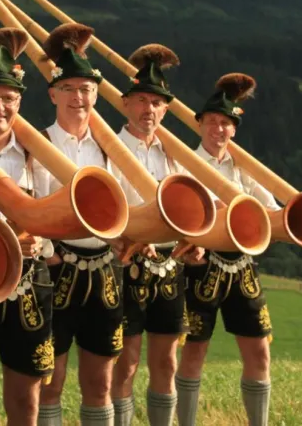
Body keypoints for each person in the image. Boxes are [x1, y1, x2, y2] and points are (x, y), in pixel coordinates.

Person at [175, 73, 278, 426]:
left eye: (226, 124)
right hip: (199, 266)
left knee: (260, 351)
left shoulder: (243, 166)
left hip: (243, 265)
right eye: (213, 122)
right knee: (194, 352)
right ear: (199, 123)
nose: (218, 129)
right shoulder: (183, 163)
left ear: (234, 130)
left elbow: (271, 209)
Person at [34, 23, 123, 426]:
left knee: (101, 383)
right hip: (58, 268)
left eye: (86, 89)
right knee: (50, 382)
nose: (78, 97)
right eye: (68, 88)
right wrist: (50, 254)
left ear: (96, 95)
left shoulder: (109, 148)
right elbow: (31, 206)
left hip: (104, 268)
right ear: (52, 93)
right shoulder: (38, 142)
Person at [110, 44, 203, 426]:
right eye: (142, 101)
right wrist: (134, 232)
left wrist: (197, 239)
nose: (149, 110)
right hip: (126, 264)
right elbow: (108, 210)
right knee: (127, 362)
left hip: (170, 266)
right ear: (126, 104)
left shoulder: (176, 154)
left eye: (157, 103)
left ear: (166, 109)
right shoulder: (110, 149)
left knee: (167, 361)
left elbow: (194, 208)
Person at [0, 27, 54, 426]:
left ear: (19, 101)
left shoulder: (38, 153)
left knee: (26, 398)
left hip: (31, 282)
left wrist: (41, 237)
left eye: (7, 99)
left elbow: (57, 210)